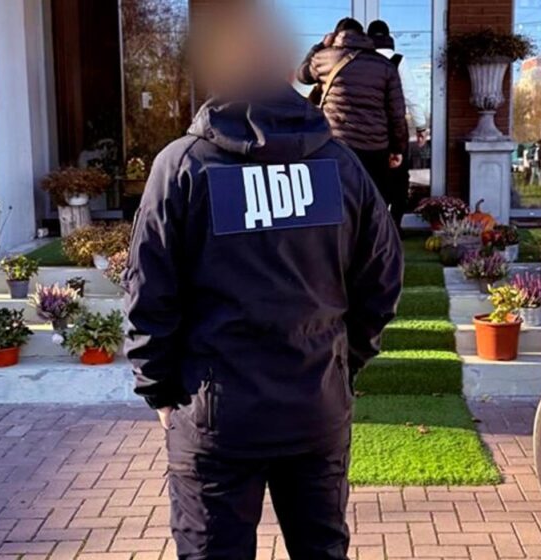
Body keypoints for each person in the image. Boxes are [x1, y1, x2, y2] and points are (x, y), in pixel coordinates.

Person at [123, 5, 403, 559]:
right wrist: (342, 363)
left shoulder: (182, 167)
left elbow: (148, 292)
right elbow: (382, 280)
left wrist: (158, 389)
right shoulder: (342, 167)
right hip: (313, 404)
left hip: (216, 416)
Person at [296, 18, 409, 210]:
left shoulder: (324, 59)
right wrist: (397, 149)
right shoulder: (385, 66)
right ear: (363, 36)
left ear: (335, 36)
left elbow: (302, 75)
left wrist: (320, 46)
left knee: (338, 205)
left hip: (337, 146)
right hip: (375, 149)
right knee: (373, 206)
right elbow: (397, 113)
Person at [367, 19, 427, 232]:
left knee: (373, 181)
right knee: (400, 181)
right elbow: (411, 96)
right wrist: (420, 126)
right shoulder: (398, 60)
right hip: (395, 131)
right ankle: (395, 226)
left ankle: (374, 229)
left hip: (370, 132)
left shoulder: (362, 60)